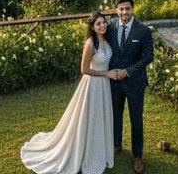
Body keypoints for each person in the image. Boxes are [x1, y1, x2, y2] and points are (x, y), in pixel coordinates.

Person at [20, 12, 118, 174]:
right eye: (98, 24)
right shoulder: (90, 43)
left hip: (104, 86)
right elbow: (84, 69)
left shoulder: (106, 41)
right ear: (92, 28)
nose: (102, 26)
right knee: (88, 119)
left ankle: (98, 150)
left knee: (100, 118)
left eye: (103, 22)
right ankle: (84, 152)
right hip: (92, 85)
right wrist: (106, 74)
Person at [107, 0, 153, 174]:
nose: (124, 12)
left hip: (134, 82)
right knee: (115, 115)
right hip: (114, 81)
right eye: (121, 8)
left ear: (132, 9)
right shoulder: (109, 26)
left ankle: (138, 155)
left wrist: (127, 72)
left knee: (136, 119)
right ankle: (116, 144)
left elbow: (148, 57)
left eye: (128, 8)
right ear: (116, 10)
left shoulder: (143, 30)